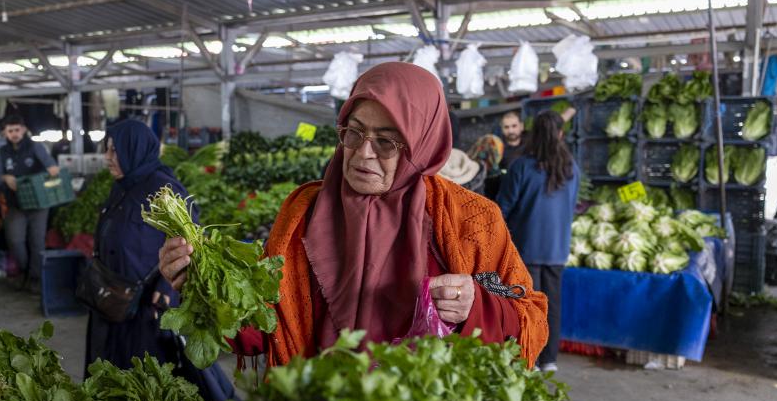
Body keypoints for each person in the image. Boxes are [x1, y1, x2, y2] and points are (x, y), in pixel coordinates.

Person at [159, 62, 549, 368]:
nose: (363, 154)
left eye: (386, 142)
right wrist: (199, 286)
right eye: (353, 132)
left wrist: (474, 308)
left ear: (422, 145)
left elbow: (530, 319)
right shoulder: (303, 215)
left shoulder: (470, 220)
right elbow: (263, 328)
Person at [85, 120, 234, 401]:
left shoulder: (163, 187)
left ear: (134, 149)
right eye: (107, 149)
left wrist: (167, 285)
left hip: (147, 306)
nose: (108, 158)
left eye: (115, 150)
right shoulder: (122, 187)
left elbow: (191, 239)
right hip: (114, 299)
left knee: (150, 377)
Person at [496, 111, 580, 372]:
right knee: (552, 305)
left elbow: (503, 207)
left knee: (525, 304)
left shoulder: (522, 166)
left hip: (526, 248)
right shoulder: (571, 169)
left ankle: (526, 357)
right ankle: (549, 360)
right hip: (557, 249)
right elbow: (573, 205)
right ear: (560, 134)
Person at [0, 114, 58, 295]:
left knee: (37, 242)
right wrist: (5, 178)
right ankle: (24, 271)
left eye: (17, 130)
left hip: (39, 203)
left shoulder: (35, 147)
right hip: (15, 204)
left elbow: (51, 167)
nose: (14, 134)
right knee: (15, 240)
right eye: (10, 131)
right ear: (5, 133)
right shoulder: (2, 152)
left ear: (23, 130)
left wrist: (52, 170)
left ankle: (35, 279)